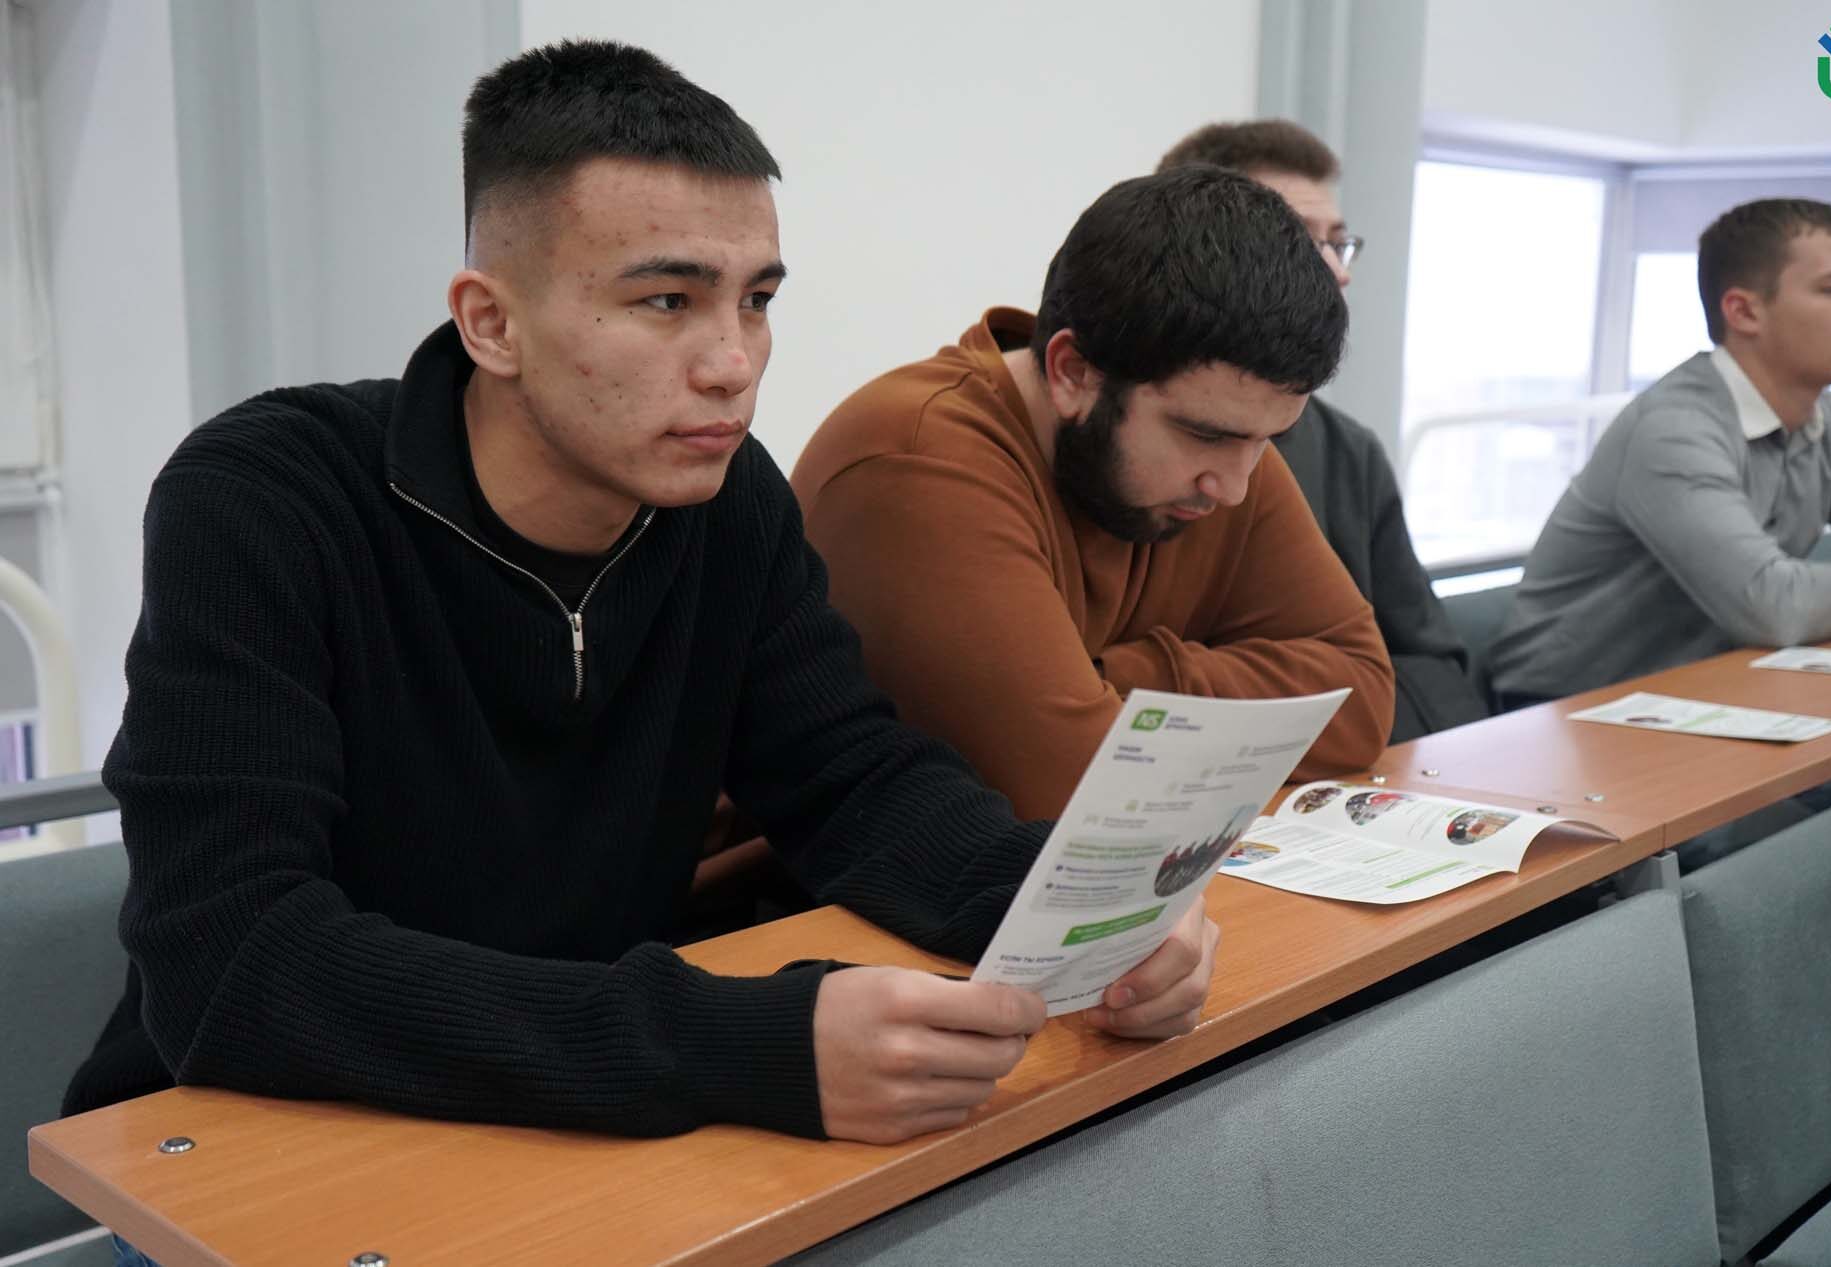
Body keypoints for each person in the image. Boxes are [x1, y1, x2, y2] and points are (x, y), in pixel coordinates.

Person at [64, 40, 1219, 1180]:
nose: (732, 362)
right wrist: (734, 1044)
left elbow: (851, 780)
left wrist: (1082, 907)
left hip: (565, 1126)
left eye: (755, 301)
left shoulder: (725, 502)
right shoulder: (266, 500)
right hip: (244, 1156)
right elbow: (232, 962)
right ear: (491, 323)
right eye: (667, 299)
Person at [791, 166, 1395, 822]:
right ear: (1072, 372)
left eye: (1268, 439)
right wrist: (1201, 708)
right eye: (1205, 435)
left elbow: (1361, 698)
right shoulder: (917, 462)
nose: (1234, 487)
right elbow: (1082, 794)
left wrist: (1119, 681)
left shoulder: (1223, 442)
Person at [1489, 197, 1831, 705]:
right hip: (1565, 713)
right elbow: (1775, 608)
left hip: (1714, 690)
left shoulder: (1829, 420)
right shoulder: (1674, 429)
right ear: (1744, 312)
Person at [1156, 120, 1490, 741]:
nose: (1337, 271)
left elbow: (1431, 669)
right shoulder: (1120, 442)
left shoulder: (1348, 451)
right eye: (1298, 241)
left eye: (1338, 243)